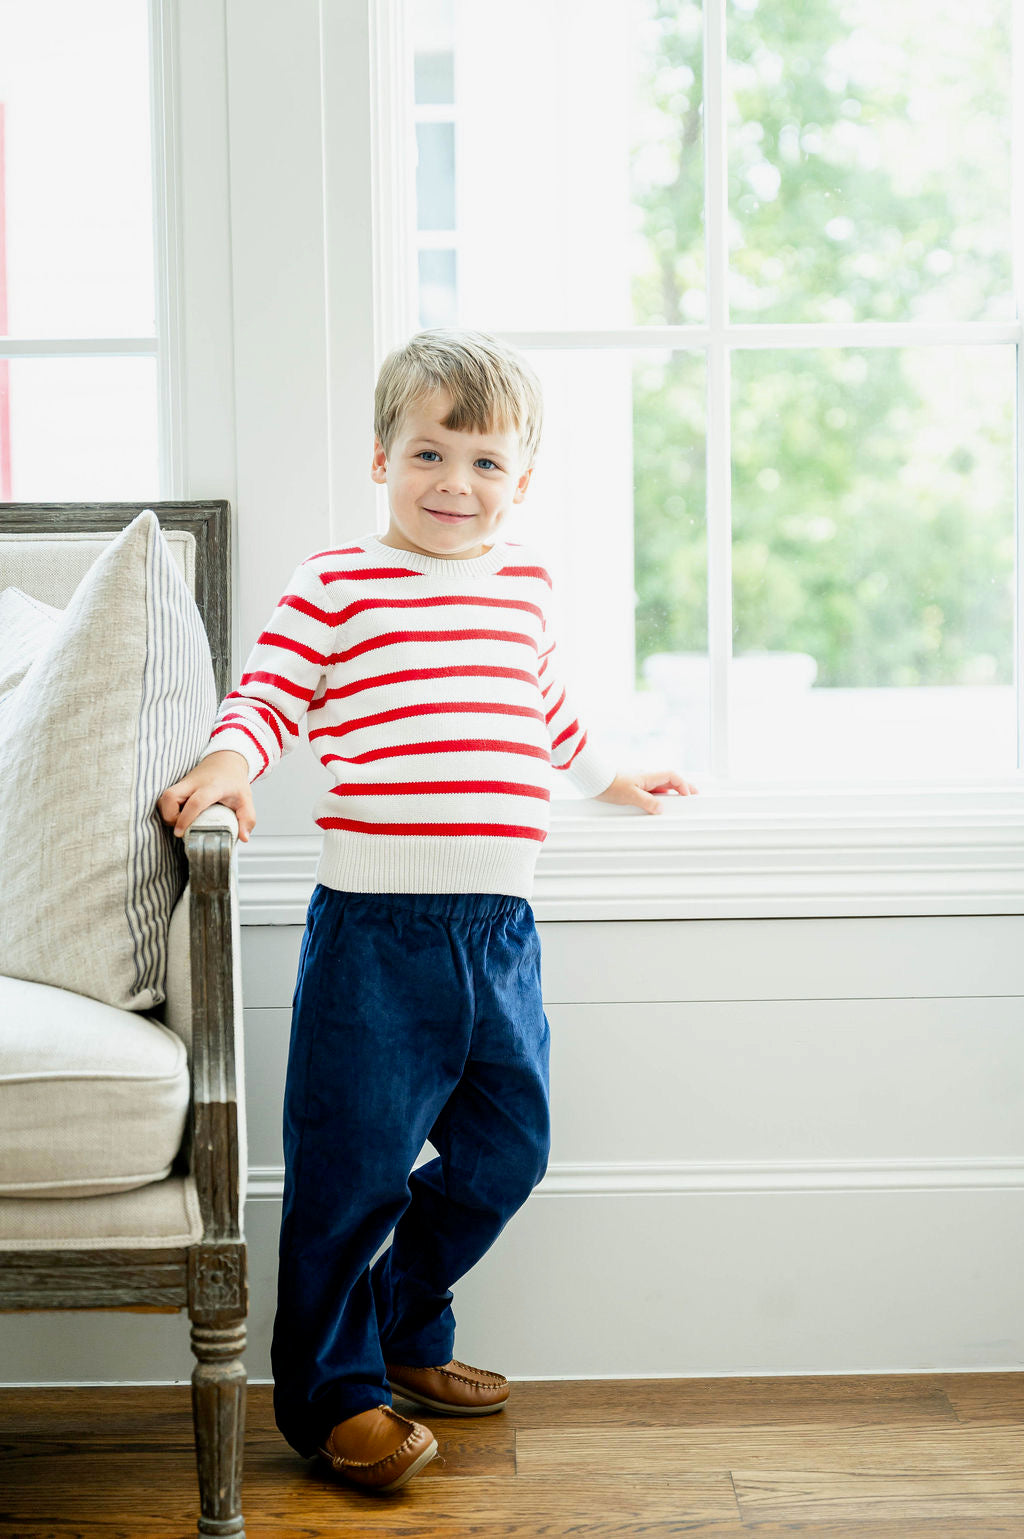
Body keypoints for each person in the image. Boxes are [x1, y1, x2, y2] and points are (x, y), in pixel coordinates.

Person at [157, 328, 699, 1495]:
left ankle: (407, 1319)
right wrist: (232, 762)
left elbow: (545, 713)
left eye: (486, 462)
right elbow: (268, 695)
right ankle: (331, 1394)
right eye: (429, 453)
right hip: (373, 937)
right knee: (350, 1171)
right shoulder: (336, 585)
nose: (456, 483)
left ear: (524, 479)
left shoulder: (526, 584)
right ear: (380, 459)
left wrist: (613, 777)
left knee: (510, 1148)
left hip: (498, 935)